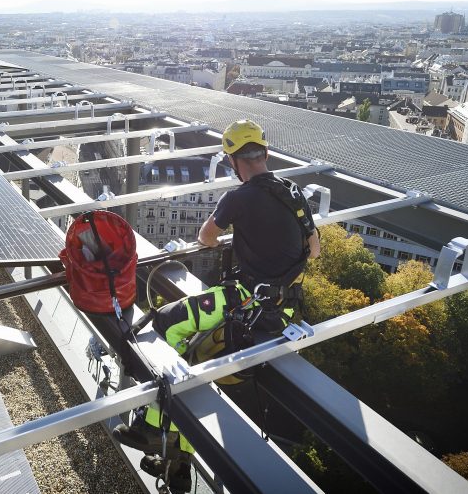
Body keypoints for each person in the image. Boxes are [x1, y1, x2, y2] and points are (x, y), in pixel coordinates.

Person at [111, 119, 320, 493]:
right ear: (265, 154)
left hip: (245, 302)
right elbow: (314, 249)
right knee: (195, 362)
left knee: (165, 325)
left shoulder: (239, 197)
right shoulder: (294, 193)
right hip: (285, 312)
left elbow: (206, 238)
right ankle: (180, 457)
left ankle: (151, 424)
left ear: (235, 162)